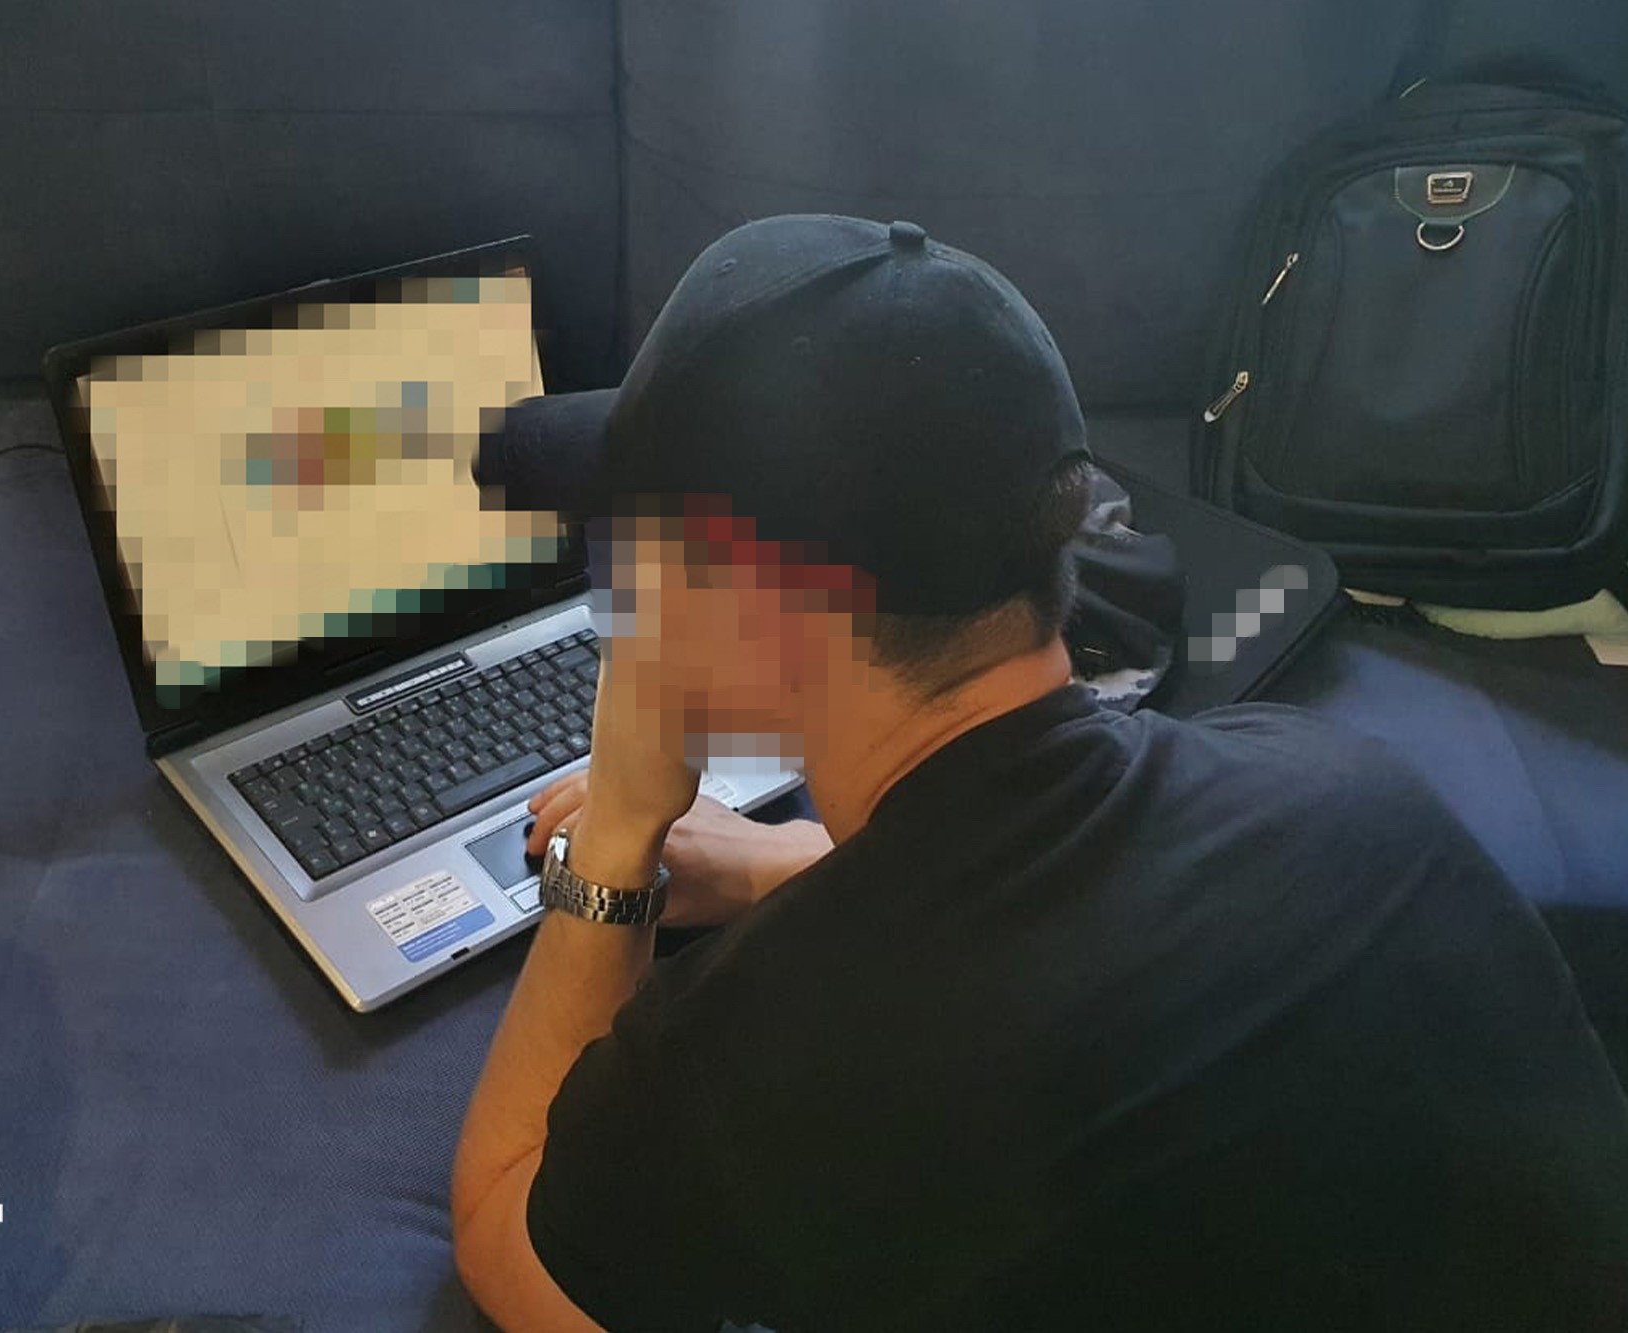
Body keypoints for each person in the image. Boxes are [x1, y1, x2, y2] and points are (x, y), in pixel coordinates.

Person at [448, 214, 1628, 1331]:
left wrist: (620, 832)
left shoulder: (780, 1055)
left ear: (752, 608)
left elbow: (509, 1234)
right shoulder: (1340, 788)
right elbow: (1070, 908)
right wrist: (785, 865)